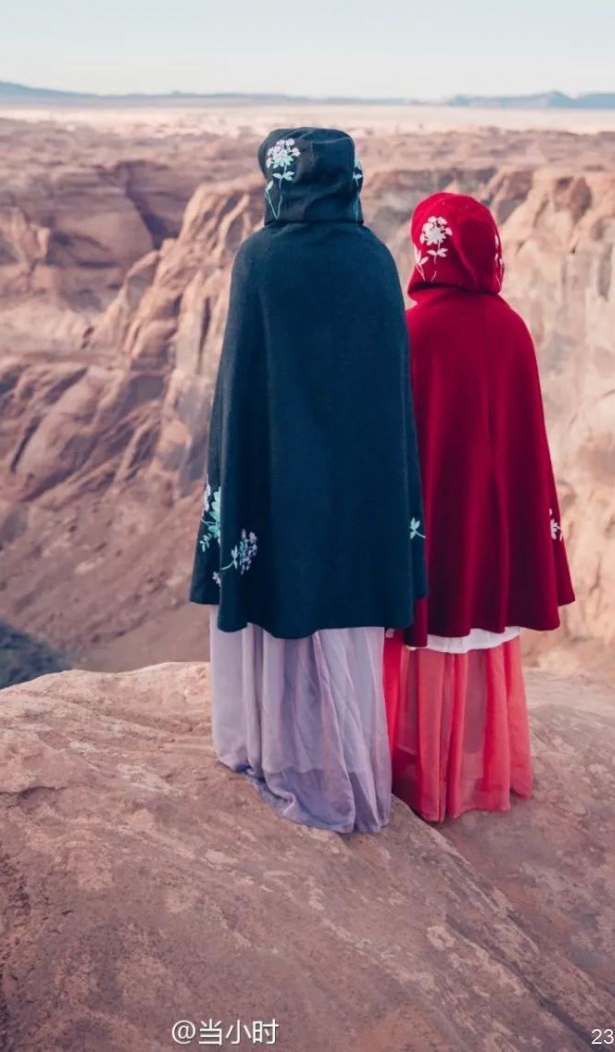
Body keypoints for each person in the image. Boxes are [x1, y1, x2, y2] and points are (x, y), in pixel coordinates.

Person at [190, 128, 426, 834]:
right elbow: (389, 398)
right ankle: (344, 761)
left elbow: (240, 392)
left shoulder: (260, 259)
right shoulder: (375, 261)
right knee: (343, 624)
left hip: (275, 475)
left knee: (278, 608)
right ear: (348, 180)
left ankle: (270, 747)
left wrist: (239, 476)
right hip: (357, 481)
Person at [383, 192, 575, 823]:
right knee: (476, 639)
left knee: (427, 638)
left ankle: (418, 773)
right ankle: (477, 769)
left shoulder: (412, 332)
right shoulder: (512, 327)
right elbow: (525, 446)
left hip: (433, 518)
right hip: (491, 524)